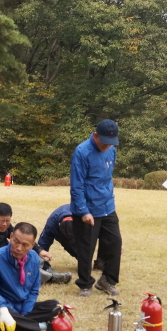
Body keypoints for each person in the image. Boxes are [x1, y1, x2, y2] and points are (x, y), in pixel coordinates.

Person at [70, 119, 123, 296]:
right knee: (86, 247)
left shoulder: (111, 151)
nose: (108, 146)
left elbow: (107, 177)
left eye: (111, 143)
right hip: (87, 208)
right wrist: (83, 211)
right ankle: (85, 284)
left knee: (115, 243)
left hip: (107, 205)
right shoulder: (82, 152)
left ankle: (107, 280)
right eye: (105, 143)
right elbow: (77, 185)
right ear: (95, 136)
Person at [0, 222, 60, 331]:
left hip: (23, 306)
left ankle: (22, 323)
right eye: (16, 241)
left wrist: (25, 312)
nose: (18, 248)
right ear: (11, 236)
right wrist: (10, 311)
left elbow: (34, 289)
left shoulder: (33, 257)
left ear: (32, 245)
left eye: (25, 245)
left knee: (54, 305)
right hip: (3, 307)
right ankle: (37, 325)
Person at [0, 202, 72, 284]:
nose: (5, 224)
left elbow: (22, 238)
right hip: (1, 264)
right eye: (2, 220)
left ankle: (48, 270)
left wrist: (40, 250)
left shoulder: (5, 225)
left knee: (32, 254)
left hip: (11, 255)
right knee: (27, 268)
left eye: (8, 220)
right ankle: (51, 278)